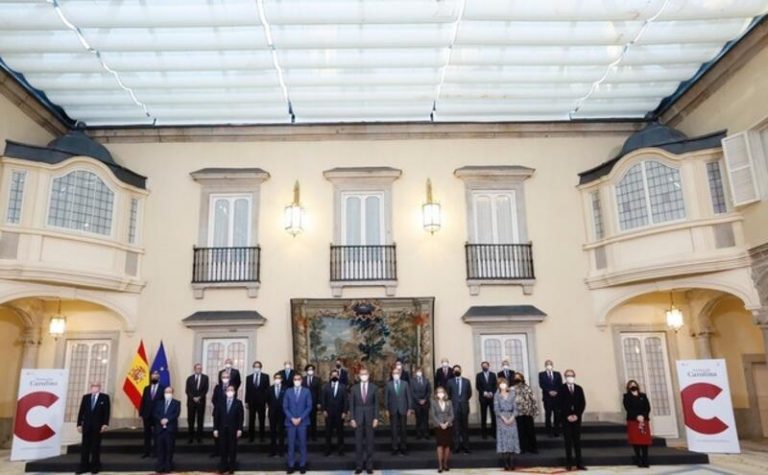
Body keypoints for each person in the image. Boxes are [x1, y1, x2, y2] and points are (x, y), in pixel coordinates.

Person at [350, 367, 379, 474]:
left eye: (365, 373)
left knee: (370, 443)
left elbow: (376, 404)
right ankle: (359, 466)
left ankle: (369, 466)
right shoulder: (354, 388)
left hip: (370, 418)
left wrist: (376, 418)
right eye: (361, 374)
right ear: (358, 376)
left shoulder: (374, 388)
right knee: (358, 443)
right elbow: (351, 405)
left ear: (369, 375)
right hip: (357, 419)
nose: (363, 375)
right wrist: (352, 418)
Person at [76, 383, 110, 474]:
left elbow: (107, 412)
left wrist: (105, 424)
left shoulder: (104, 397)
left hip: (98, 427)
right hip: (86, 426)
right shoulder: (86, 397)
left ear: (99, 388)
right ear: (91, 388)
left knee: (95, 447)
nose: (94, 388)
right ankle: (83, 466)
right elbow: (81, 411)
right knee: (85, 447)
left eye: (96, 386)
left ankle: (95, 467)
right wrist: (79, 424)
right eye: (93, 386)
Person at [558, 369, 587, 471]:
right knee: (568, 442)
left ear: (574, 376)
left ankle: (579, 463)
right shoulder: (561, 389)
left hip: (577, 419)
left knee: (577, 442)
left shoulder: (579, 389)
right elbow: (560, 404)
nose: (570, 377)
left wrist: (576, 415)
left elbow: (582, 403)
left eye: (572, 375)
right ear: (565, 377)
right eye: (568, 375)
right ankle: (569, 463)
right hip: (566, 419)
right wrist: (567, 415)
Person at [284, 373, 312, 474]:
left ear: (301, 380)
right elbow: (285, 407)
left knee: (302, 444)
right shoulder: (288, 391)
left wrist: (300, 418)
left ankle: (302, 465)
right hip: (290, 422)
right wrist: (292, 418)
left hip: (303, 422)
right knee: (291, 444)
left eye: (298, 379)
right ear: (293, 381)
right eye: (295, 379)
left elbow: (309, 406)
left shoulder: (307, 391)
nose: (297, 381)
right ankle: (291, 465)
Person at [213, 384, 244, 474]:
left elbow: (240, 417)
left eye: (232, 390)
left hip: (233, 430)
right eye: (228, 390)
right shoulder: (220, 402)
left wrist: (240, 429)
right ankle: (223, 467)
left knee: (232, 449)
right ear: (226, 392)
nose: (230, 392)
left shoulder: (238, 403)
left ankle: (231, 468)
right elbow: (216, 417)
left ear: (234, 392)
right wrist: (215, 429)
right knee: (223, 449)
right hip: (222, 429)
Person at [623, 379, 652, 468]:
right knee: (636, 441)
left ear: (637, 386)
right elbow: (628, 408)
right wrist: (637, 416)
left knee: (644, 441)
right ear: (628, 387)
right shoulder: (626, 396)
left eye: (634, 384)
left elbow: (647, 408)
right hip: (633, 421)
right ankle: (638, 459)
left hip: (644, 420)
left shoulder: (643, 395)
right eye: (631, 385)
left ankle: (645, 460)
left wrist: (643, 416)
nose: (633, 385)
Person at [494, 378, 521, 471]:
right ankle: (506, 463)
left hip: (512, 418)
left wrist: (512, 418)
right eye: (501, 384)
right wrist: (504, 418)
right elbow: (496, 409)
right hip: (501, 419)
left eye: (504, 383)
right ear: (498, 385)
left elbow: (516, 408)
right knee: (504, 440)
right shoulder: (497, 395)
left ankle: (512, 462)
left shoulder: (512, 394)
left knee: (512, 439)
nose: (503, 385)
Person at [385, 366, 412, 455]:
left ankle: (403, 447)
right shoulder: (389, 384)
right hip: (393, 409)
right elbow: (386, 398)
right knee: (394, 430)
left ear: (400, 374)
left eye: (397, 373)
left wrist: (409, 408)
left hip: (403, 409)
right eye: (394, 373)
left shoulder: (405, 384)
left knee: (403, 429)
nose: (395, 375)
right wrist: (386, 409)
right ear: (392, 375)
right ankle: (394, 448)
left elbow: (408, 397)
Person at [321, 368, 348, 456]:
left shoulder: (343, 387)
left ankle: (341, 450)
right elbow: (323, 400)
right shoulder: (325, 387)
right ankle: (327, 450)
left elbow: (345, 400)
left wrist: (344, 412)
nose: (334, 376)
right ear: (330, 376)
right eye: (332, 375)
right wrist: (324, 410)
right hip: (328, 413)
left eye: (336, 375)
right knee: (328, 433)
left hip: (340, 413)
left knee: (340, 433)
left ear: (338, 376)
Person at [153, 386, 180, 474]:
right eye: (166, 392)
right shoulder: (159, 403)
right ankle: (160, 466)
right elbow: (155, 413)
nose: (167, 394)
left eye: (169, 392)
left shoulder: (176, 403)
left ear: (172, 393)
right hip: (160, 429)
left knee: (169, 449)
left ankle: (168, 466)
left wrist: (167, 419)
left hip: (170, 429)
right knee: (160, 449)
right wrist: (161, 419)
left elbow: (176, 414)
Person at [446, 364, 471, 454]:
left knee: (465, 428)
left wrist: (462, 400)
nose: (457, 371)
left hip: (464, 407)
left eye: (458, 370)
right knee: (455, 428)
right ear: (453, 372)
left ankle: (466, 447)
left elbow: (469, 394)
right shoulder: (450, 382)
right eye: (455, 370)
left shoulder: (467, 381)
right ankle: (456, 447)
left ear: (461, 371)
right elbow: (448, 394)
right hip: (454, 407)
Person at [140, 370, 165, 457]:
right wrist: (141, 413)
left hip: (157, 416)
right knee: (147, 435)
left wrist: (162, 415)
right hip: (146, 415)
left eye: (156, 375)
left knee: (157, 435)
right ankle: (146, 452)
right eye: (153, 375)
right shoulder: (146, 388)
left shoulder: (163, 388)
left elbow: (163, 403)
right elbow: (143, 401)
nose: (154, 376)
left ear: (159, 377)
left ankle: (156, 453)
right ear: (151, 377)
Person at [513, 372, 539, 454]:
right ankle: (522, 448)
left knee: (530, 430)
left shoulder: (527, 387)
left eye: (519, 377)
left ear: (522, 378)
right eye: (516, 377)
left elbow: (533, 399)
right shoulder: (512, 389)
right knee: (520, 431)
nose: (517, 379)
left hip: (528, 412)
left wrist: (535, 411)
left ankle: (533, 447)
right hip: (518, 413)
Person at [245, 360, 270, 443]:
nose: (257, 368)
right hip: (251, 402)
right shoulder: (249, 377)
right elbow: (247, 390)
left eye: (258, 366)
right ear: (253, 368)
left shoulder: (265, 376)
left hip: (262, 402)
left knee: (261, 420)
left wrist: (267, 402)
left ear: (260, 368)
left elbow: (267, 390)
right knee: (251, 420)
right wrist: (246, 401)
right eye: (255, 366)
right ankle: (251, 437)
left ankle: (262, 437)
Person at [431, 386, 454, 473]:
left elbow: (452, 415)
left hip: (448, 426)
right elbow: (433, 415)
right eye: (438, 392)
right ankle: (440, 465)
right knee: (440, 445)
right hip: (438, 426)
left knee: (447, 446)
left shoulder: (449, 402)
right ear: (436, 394)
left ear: (444, 393)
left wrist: (447, 423)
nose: (440, 394)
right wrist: (440, 424)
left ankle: (445, 464)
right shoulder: (433, 402)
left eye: (442, 392)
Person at [185, 363, 209, 444]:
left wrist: (199, 397)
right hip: (191, 402)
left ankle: (199, 437)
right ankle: (190, 437)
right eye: (197, 368)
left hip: (201, 402)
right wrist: (193, 398)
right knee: (191, 420)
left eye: (200, 368)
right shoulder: (189, 378)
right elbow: (187, 390)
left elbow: (206, 390)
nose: (199, 369)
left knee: (200, 420)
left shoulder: (205, 378)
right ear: (194, 369)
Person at [539, 359, 563, 437]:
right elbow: (541, 385)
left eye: (550, 364)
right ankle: (548, 431)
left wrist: (556, 391)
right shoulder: (541, 374)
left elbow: (560, 384)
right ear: (545, 366)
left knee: (557, 414)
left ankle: (556, 431)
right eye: (547, 364)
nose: (549, 366)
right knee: (548, 415)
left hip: (556, 398)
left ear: (552, 365)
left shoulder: (557, 374)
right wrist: (549, 391)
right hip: (547, 398)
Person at [211, 373, 233, 458]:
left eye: (227, 377)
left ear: (229, 378)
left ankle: (227, 451)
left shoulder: (232, 388)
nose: (225, 378)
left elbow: (233, 400)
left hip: (228, 414)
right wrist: (220, 407)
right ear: (221, 378)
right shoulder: (217, 387)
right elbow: (214, 399)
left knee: (227, 433)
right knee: (217, 432)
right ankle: (216, 451)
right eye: (223, 377)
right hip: (218, 413)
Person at [476, 361, 497, 440]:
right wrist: (484, 393)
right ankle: (484, 434)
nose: (484, 367)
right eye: (483, 366)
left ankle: (494, 433)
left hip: (492, 398)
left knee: (493, 416)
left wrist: (492, 393)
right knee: (483, 416)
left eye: (485, 365)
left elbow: (495, 385)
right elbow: (478, 386)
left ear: (488, 366)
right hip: (483, 398)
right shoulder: (479, 375)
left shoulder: (493, 374)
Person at [268, 372, 287, 457]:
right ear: (274, 379)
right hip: (272, 413)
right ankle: (272, 451)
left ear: (281, 379)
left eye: (279, 378)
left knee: (281, 433)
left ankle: (281, 451)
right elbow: (268, 401)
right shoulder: (270, 389)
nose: (277, 379)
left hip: (282, 413)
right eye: (276, 378)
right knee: (272, 432)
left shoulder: (285, 389)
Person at [411, 367, 432, 440]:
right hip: (417, 403)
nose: (419, 373)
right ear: (416, 373)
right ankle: (418, 433)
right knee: (418, 419)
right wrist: (418, 400)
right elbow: (412, 392)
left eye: (420, 371)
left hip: (425, 403)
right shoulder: (412, 381)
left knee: (425, 419)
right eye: (418, 371)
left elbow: (429, 391)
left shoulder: (426, 380)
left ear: (422, 372)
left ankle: (426, 433)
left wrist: (425, 399)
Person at [303, 364, 322, 441]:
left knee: (313, 419)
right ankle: (306, 436)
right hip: (304, 403)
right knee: (305, 419)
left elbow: (319, 392)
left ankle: (314, 436)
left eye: (312, 369)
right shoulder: (303, 379)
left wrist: (319, 403)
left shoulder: (317, 379)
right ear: (306, 370)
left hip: (314, 402)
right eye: (309, 369)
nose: (310, 371)